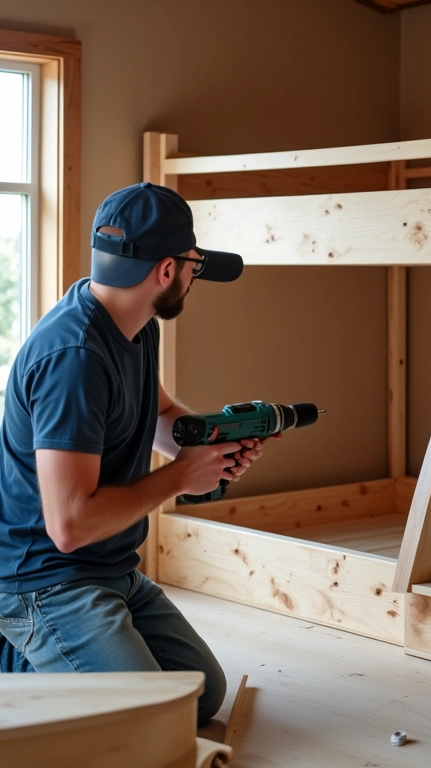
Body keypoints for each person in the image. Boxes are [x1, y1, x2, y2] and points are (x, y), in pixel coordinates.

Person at [0, 181, 267, 723]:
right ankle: (22, 652)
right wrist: (176, 480)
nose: (195, 277)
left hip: (110, 567)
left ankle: (68, 667)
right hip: (45, 580)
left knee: (202, 697)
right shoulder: (73, 359)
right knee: (150, 725)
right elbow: (69, 526)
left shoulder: (133, 323)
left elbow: (160, 417)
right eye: (193, 265)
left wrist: (211, 446)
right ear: (166, 271)